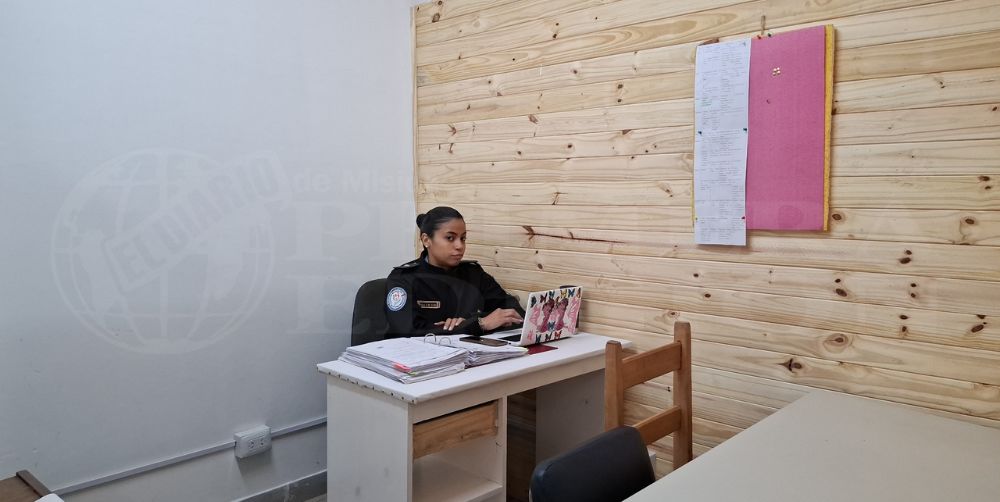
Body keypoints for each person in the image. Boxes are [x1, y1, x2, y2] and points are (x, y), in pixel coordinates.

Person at [384, 206, 524, 338]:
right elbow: (407, 330)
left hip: (473, 352)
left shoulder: (473, 273)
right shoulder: (404, 278)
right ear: (426, 240)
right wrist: (478, 324)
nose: (460, 246)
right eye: (450, 238)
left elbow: (515, 312)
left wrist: (474, 321)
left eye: (463, 238)